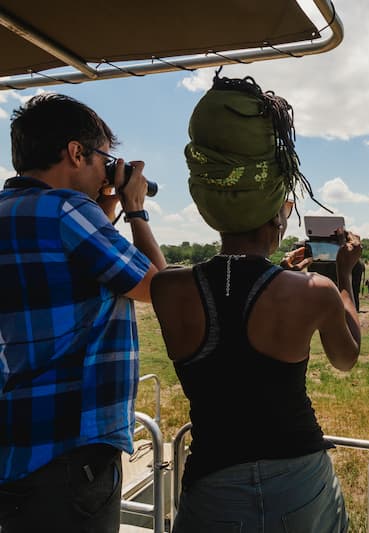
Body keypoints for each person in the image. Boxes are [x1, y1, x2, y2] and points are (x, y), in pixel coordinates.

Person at [150, 72, 361, 533]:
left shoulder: (168, 290)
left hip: (212, 486)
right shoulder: (313, 293)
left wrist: (281, 272)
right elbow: (347, 357)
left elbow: (232, 298)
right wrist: (342, 275)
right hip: (301, 482)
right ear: (278, 214)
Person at [0, 94, 167, 532]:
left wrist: (102, 205)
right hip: (72, 451)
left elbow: (73, 271)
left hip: (16, 443)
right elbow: (158, 286)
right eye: (103, 160)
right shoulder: (68, 211)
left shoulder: (15, 211)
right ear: (77, 152)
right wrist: (135, 209)